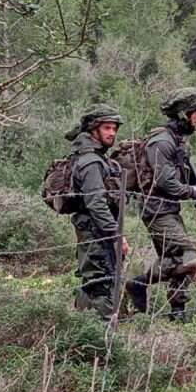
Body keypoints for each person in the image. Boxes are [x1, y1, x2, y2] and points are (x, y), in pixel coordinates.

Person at [125, 87, 196, 322]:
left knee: (176, 259)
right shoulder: (161, 142)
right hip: (157, 210)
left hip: (169, 209)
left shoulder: (177, 140)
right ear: (184, 113)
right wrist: (194, 191)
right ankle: (139, 283)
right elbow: (167, 184)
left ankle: (178, 313)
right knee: (188, 256)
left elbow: (185, 176)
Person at [66, 104, 128, 319]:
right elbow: (96, 204)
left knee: (92, 280)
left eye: (114, 129)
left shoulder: (96, 157)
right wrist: (116, 236)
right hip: (96, 232)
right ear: (94, 130)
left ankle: (79, 323)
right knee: (101, 283)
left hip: (94, 230)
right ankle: (101, 336)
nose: (112, 133)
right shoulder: (91, 161)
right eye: (107, 128)